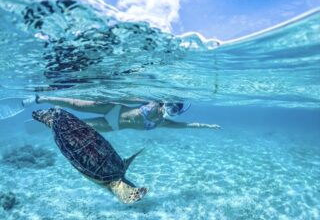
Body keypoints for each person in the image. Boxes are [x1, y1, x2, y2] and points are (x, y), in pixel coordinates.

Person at [23, 95, 220, 132]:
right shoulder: (152, 102)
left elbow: (188, 126)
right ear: (164, 103)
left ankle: (47, 119)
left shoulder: (162, 124)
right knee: (76, 104)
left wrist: (208, 126)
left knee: (77, 127)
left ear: (178, 112)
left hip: (113, 126)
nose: (170, 110)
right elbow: (129, 96)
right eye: (170, 106)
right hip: (112, 108)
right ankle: (41, 98)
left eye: (175, 110)